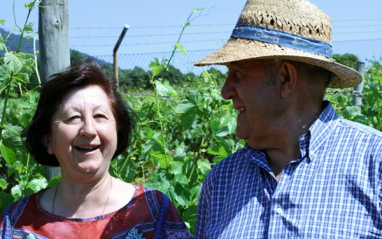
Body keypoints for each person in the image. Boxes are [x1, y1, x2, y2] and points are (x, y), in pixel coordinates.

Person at [194, 0, 382, 238]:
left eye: (238, 73)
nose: (225, 91)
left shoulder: (375, 165)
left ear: (285, 79)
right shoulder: (221, 181)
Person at [0, 60, 192, 239]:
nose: (89, 130)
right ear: (48, 140)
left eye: (100, 116)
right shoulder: (16, 224)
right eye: (73, 118)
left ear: (117, 130)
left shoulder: (155, 212)